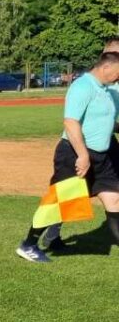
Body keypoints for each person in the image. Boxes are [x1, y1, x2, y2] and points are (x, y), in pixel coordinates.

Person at [17, 51, 119, 263]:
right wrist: (82, 155)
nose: (118, 77)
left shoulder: (106, 90)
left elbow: (102, 122)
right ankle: (28, 244)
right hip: (74, 153)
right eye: (118, 73)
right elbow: (70, 122)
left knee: (114, 198)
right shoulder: (83, 86)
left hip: (101, 157)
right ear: (105, 67)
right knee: (60, 202)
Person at [41, 36, 119, 251]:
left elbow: (111, 123)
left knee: (112, 191)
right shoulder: (94, 85)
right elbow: (75, 120)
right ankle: (50, 231)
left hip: (107, 144)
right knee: (72, 191)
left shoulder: (114, 85)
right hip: (84, 145)